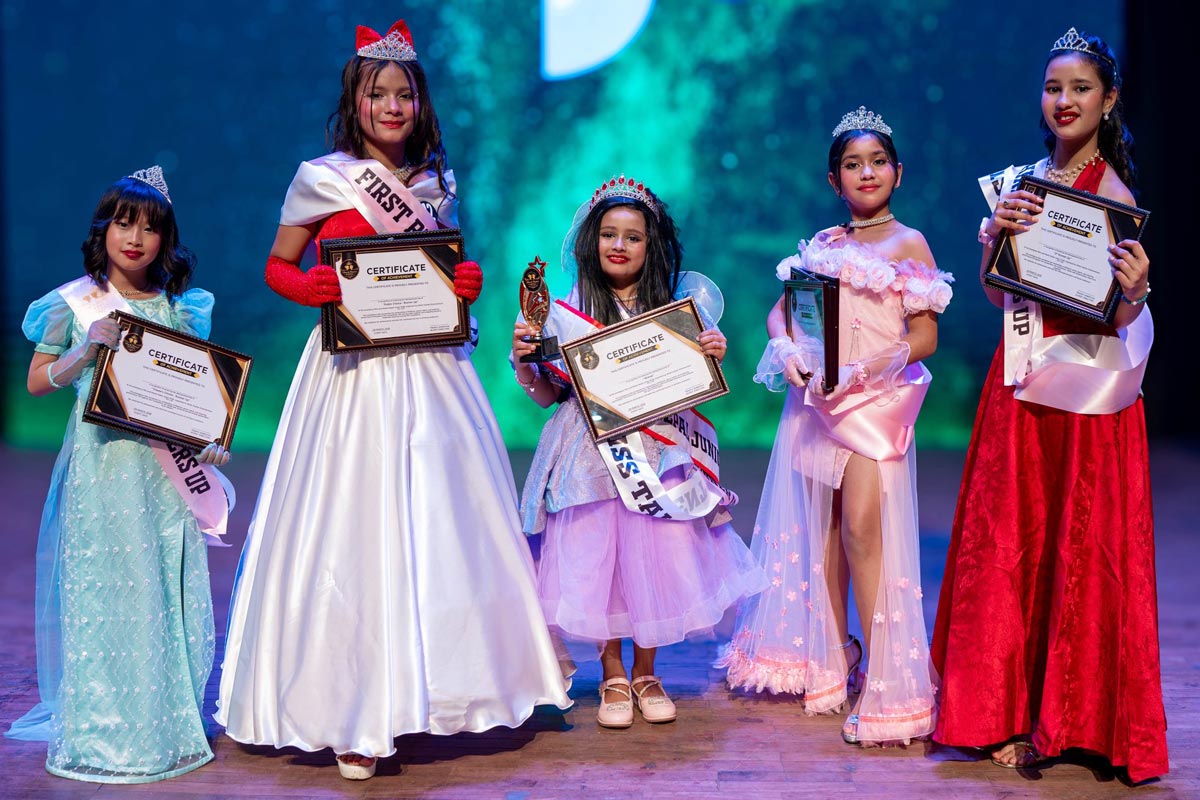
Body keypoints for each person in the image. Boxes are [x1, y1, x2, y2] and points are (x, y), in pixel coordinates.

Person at [215, 20, 570, 781]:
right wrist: (306, 286)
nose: (391, 105)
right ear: (357, 100)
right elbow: (278, 264)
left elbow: (443, 282)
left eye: (403, 93)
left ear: (420, 103)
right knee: (353, 522)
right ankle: (353, 708)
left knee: (442, 520)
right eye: (378, 93)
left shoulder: (438, 184)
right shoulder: (321, 177)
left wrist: (463, 285)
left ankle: (449, 694)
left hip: (429, 372)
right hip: (348, 378)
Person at [931, 28, 1166, 781]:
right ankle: (997, 711)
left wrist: (1134, 290)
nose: (1063, 101)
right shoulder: (1025, 184)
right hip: (1023, 384)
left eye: (1080, 88)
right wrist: (993, 242)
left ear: (1109, 99)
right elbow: (1002, 293)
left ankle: (1068, 719)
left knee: (1077, 545)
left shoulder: (1118, 200)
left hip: (1086, 400)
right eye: (1053, 88)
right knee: (1012, 542)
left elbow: (1120, 320)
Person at [717, 107, 952, 747]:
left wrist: (874, 363)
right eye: (853, 164)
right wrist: (789, 352)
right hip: (820, 408)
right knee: (822, 534)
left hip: (873, 407)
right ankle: (835, 655)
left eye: (877, 161)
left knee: (861, 530)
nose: (866, 172)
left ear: (897, 173)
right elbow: (780, 315)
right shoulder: (824, 244)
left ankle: (886, 677)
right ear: (834, 179)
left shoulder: (909, 243)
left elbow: (925, 332)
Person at [513, 175, 766, 729]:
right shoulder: (563, 311)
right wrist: (526, 361)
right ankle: (611, 672)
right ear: (591, 242)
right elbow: (547, 396)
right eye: (608, 234)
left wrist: (709, 358)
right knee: (600, 565)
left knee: (656, 556)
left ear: (651, 247)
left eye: (632, 236)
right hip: (588, 458)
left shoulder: (675, 311)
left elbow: (691, 393)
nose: (619, 246)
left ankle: (648, 670)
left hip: (657, 453)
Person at [7, 167, 232, 782]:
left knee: (162, 590)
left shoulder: (183, 308)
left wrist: (209, 441)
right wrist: (86, 351)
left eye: (150, 228)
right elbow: (35, 383)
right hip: (102, 470)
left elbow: (194, 396)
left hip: (162, 478)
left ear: (166, 240)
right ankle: (104, 733)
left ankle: (167, 725)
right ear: (104, 229)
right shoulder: (75, 304)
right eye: (124, 223)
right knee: (107, 595)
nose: (135, 238)